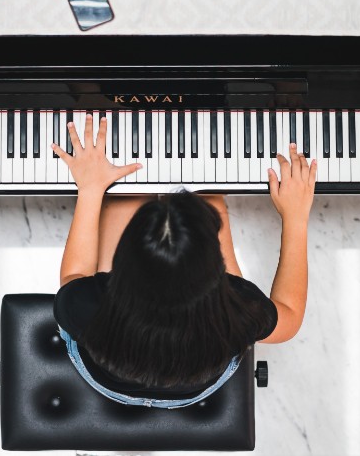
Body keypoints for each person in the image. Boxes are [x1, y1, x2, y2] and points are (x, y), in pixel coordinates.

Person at [52, 114, 316, 408]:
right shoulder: (237, 311)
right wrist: (296, 218)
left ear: (121, 263)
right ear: (217, 271)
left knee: (123, 192)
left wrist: (90, 189)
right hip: (194, 387)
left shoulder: (87, 307)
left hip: (110, 380)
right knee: (207, 195)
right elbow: (289, 317)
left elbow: (73, 275)